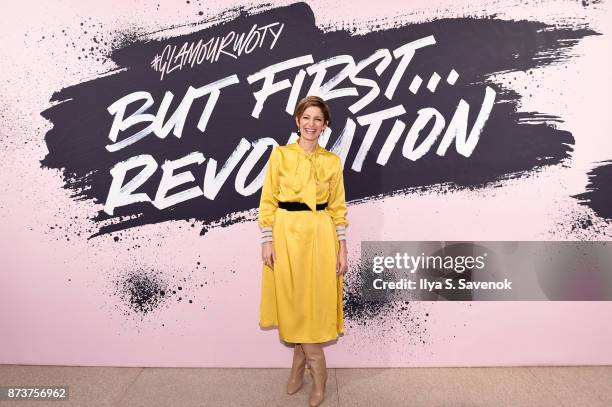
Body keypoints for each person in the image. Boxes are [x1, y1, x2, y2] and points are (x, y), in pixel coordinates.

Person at [258, 95, 349, 407]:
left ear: (324, 126)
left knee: (313, 302)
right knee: (293, 302)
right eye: (306, 118)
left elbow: (338, 207)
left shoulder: (332, 162)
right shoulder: (280, 156)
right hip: (285, 235)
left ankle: (315, 375)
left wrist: (342, 249)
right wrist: (267, 240)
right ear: (298, 120)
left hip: (320, 237)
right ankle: (302, 364)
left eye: (318, 120)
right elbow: (268, 200)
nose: (311, 124)